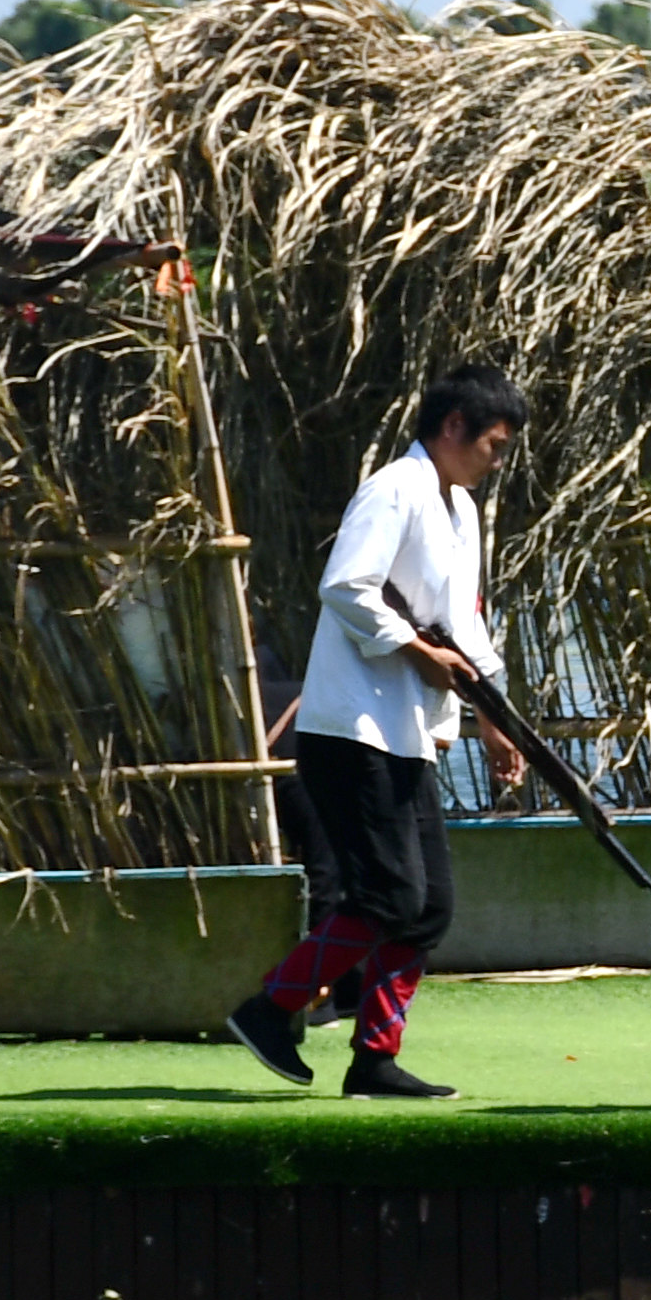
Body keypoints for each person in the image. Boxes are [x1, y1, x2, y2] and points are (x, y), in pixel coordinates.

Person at [225, 367, 532, 1102]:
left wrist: (496, 720)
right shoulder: (394, 487)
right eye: (493, 445)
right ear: (452, 426)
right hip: (352, 728)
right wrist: (418, 652)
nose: (497, 462)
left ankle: (374, 1060)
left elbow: (468, 629)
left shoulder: (463, 512)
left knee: (427, 908)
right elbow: (346, 585)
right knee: (390, 894)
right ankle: (271, 1007)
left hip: (411, 734)